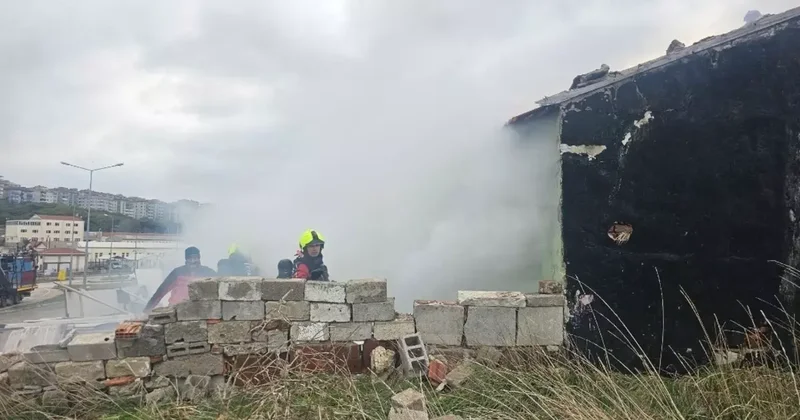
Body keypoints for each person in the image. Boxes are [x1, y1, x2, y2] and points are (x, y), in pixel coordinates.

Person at [143, 246, 217, 312]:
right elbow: (160, 291)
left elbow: (221, 284)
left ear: (199, 259)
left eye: (195, 258)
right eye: (190, 258)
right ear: (186, 260)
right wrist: (147, 310)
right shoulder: (177, 273)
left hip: (199, 309)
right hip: (176, 309)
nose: (193, 261)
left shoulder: (208, 272)